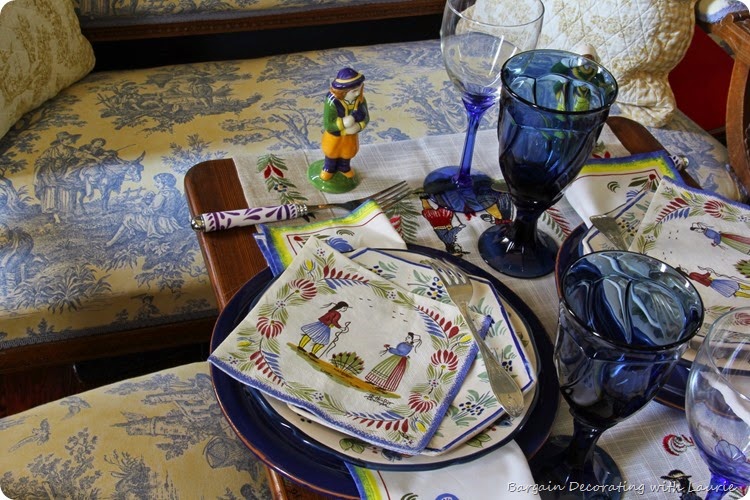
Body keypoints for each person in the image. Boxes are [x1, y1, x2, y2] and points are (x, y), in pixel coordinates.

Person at [319, 68, 369, 181]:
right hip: (334, 135)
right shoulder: (332, 101)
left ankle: (344, 167)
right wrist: (344, 122)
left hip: (350, 136)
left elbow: (366, 117)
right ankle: (329, 168)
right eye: (354, 91)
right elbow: (328, 124)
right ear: (343, 92)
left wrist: (358, 126)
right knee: (331, 151)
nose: (358, 93)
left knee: (348, 151)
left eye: (359, 89)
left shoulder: (360, 100)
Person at [105, 173, 181, 247]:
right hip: (170, 221)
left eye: (158, 182)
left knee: (128, 217)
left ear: (166, 183)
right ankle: (123, 237)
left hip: (159, 223)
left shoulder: (162, 194)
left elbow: (151, 211)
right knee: (132, 217)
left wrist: (140, 209)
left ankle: (112, 242)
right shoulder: (174, 192)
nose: (155, 184)